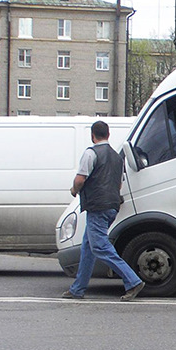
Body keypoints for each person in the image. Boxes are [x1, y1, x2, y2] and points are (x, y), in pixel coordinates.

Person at [62, 121, 145, 301]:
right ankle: (78, 289)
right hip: (112, 206)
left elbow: (80, 180)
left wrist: (74, 190)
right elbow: (119, 184)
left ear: (93, 136)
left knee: (99, 247)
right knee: (88, 247)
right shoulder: (117, 157)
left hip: (97, 207)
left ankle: (133, 280)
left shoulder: (90, 154)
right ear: (108, 135)